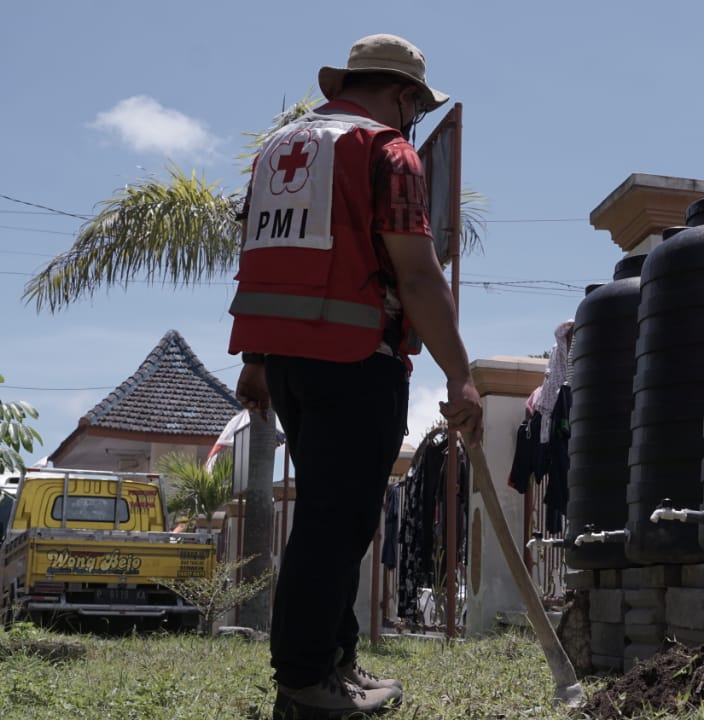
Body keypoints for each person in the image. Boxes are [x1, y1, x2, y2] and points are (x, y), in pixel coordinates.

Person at [227, 33, 483, 719]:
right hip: (355, 358)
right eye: (416, 108)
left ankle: (336, 662)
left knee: (331, 516)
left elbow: (268, 253)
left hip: (288, 362)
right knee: (335, 524)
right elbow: (417, 275)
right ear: (403, 96)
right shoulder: (386, 150)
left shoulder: (281, 149)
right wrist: (460, 376)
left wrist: (256, 360)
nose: (414, 120)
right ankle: (305, 682)